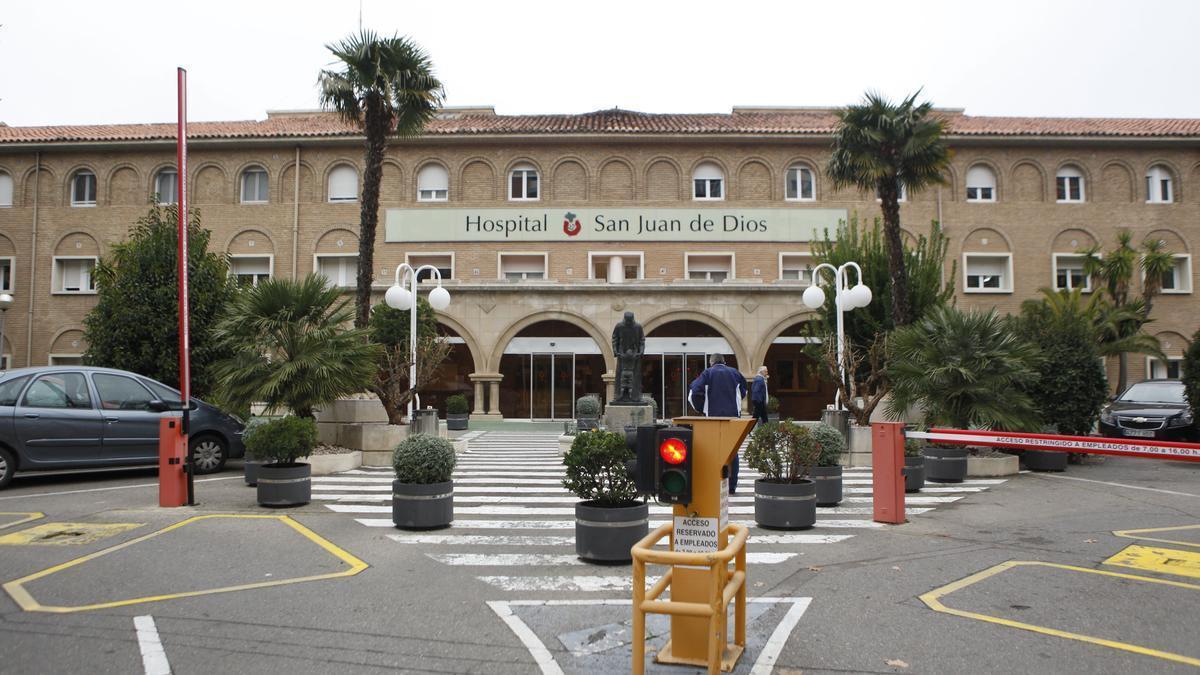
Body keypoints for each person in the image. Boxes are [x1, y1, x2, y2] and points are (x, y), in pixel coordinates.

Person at [688, 353, 747, 493]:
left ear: (711, 362)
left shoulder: (707, 373)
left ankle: (716, 482)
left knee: (714, 450)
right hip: (733, 418)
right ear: (724, 362)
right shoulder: (735, 373)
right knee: (733, 451)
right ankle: (732, 486)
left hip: (713, 418)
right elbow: (743, 391)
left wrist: (702, 408)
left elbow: (694, 393)